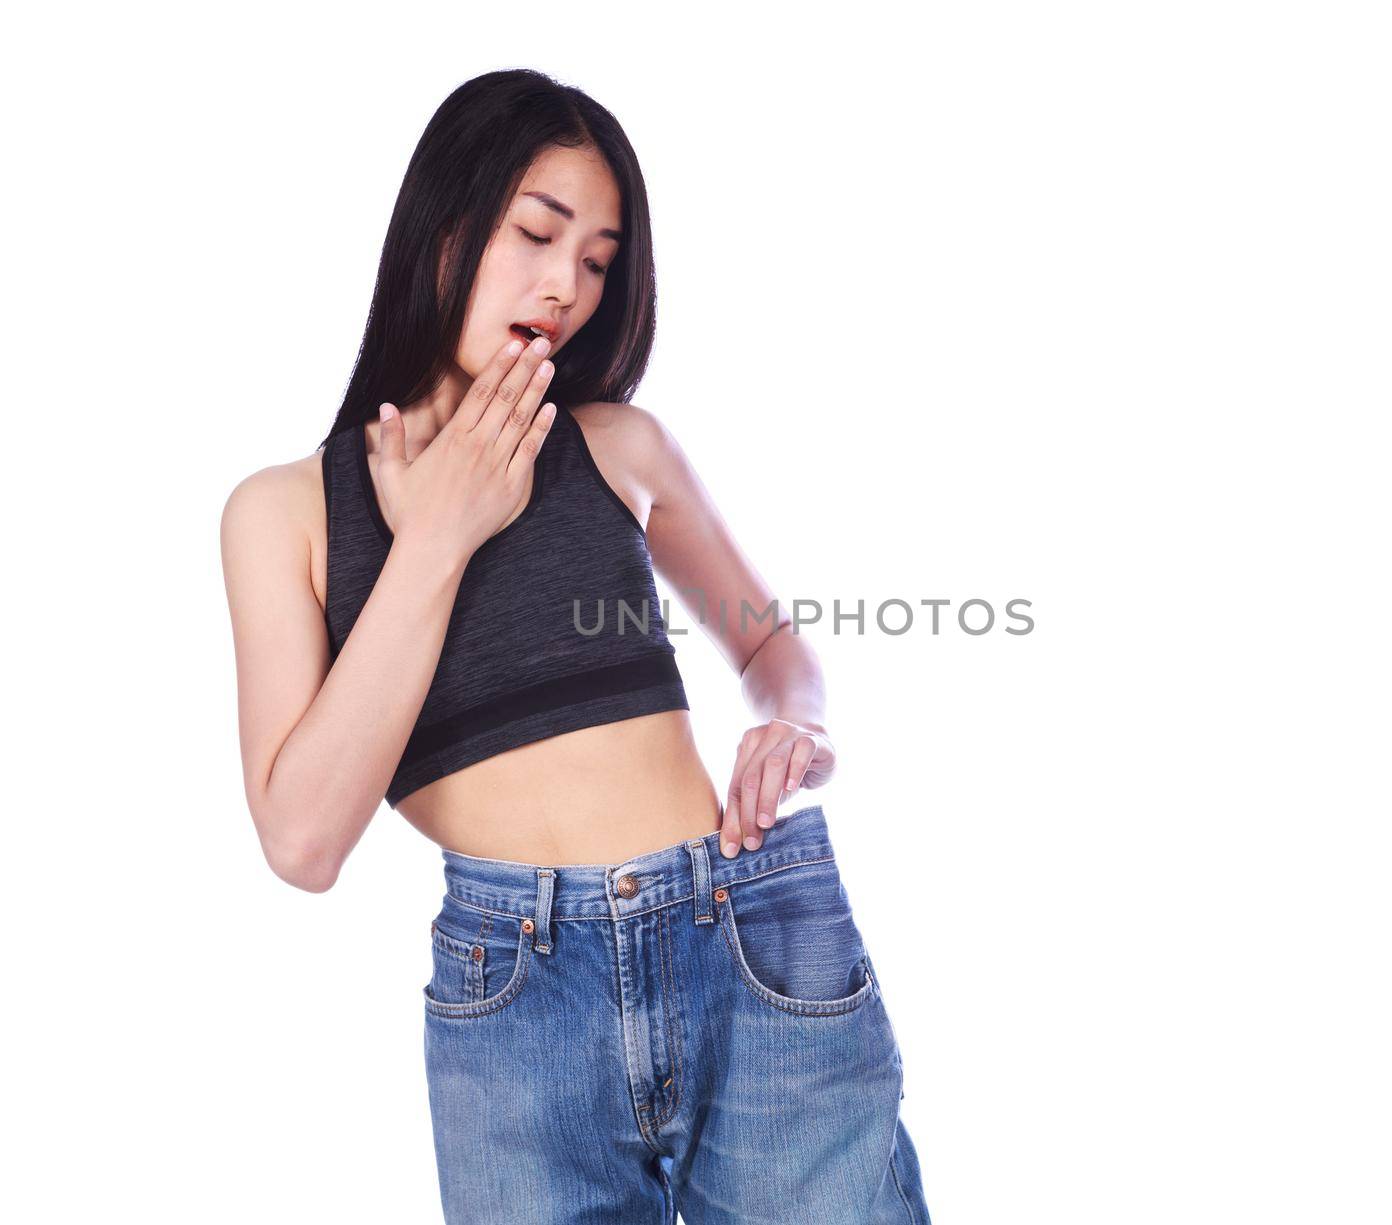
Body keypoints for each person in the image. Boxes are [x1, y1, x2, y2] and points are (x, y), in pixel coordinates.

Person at [219, 68, 931, 1223]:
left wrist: (792, 724)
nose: (565, 288)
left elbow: (776, 652)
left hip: (747, 940)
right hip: (520, 990)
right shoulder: (284, 513)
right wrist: (439, 538)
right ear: (440, 228)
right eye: (538, 233)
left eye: (597, 260)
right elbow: (302, 839)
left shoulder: (618, 446)